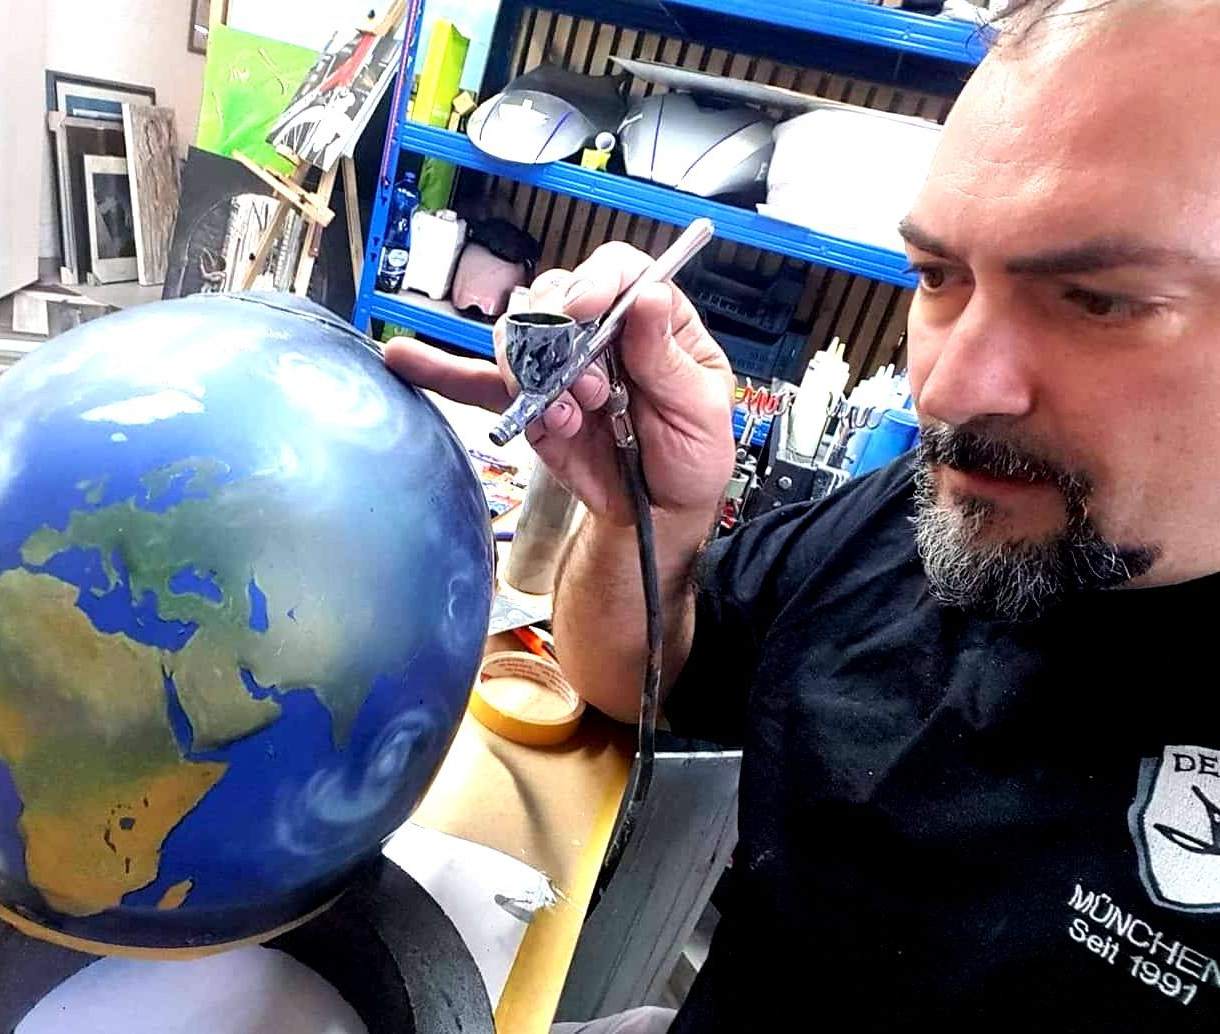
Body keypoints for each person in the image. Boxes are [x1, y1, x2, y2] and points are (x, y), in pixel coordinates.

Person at [386, 0, 1220, 1029]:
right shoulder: (926, 509)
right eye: (938, 277)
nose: (948, 387)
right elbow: (634, 679)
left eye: (1096, 300)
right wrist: (646, 516)